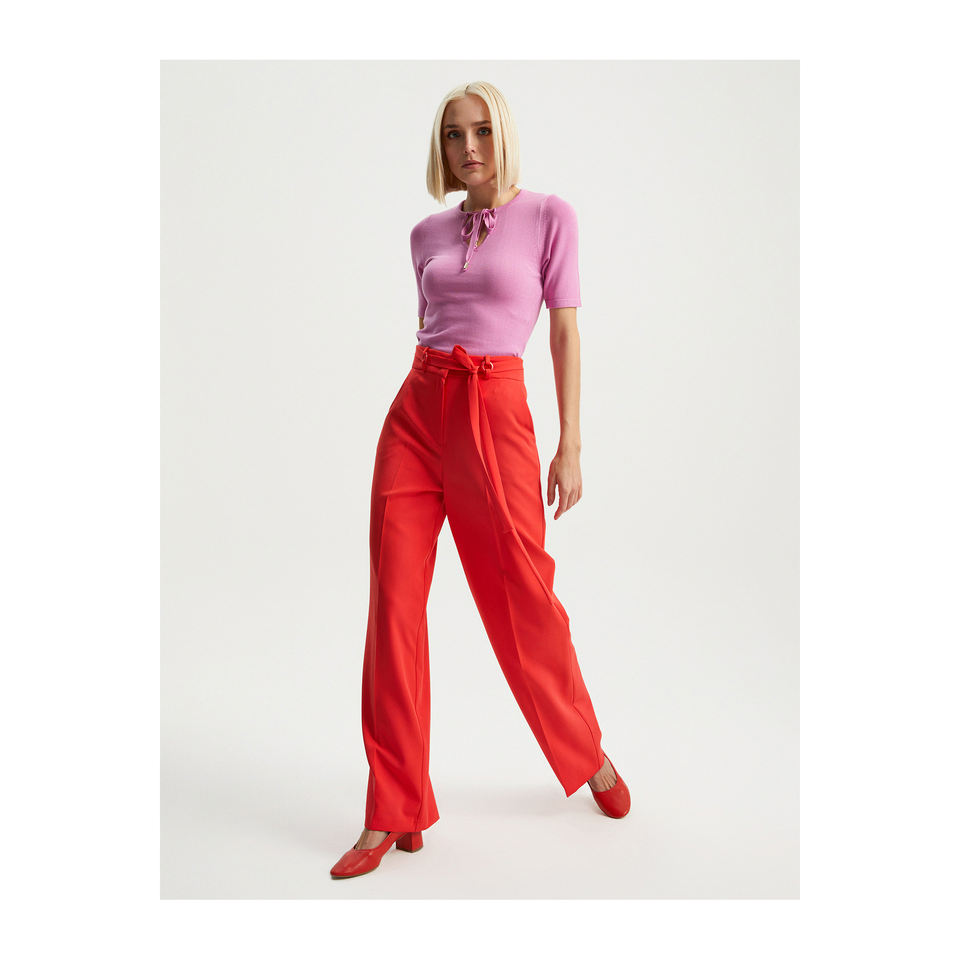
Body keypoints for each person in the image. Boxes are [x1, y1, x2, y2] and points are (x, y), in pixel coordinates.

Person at [331, 81, 630, 880]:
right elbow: (431, 323)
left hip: (493, 411)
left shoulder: (550, 217)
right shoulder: (425, 233)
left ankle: (586, 752)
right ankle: (393, 808)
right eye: (455, 135)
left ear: (505, 136)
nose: (469, 148)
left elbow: (563, 332)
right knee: (393, 607)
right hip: (416, 412)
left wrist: (570, 443)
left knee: (522, 597)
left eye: (483, 132)